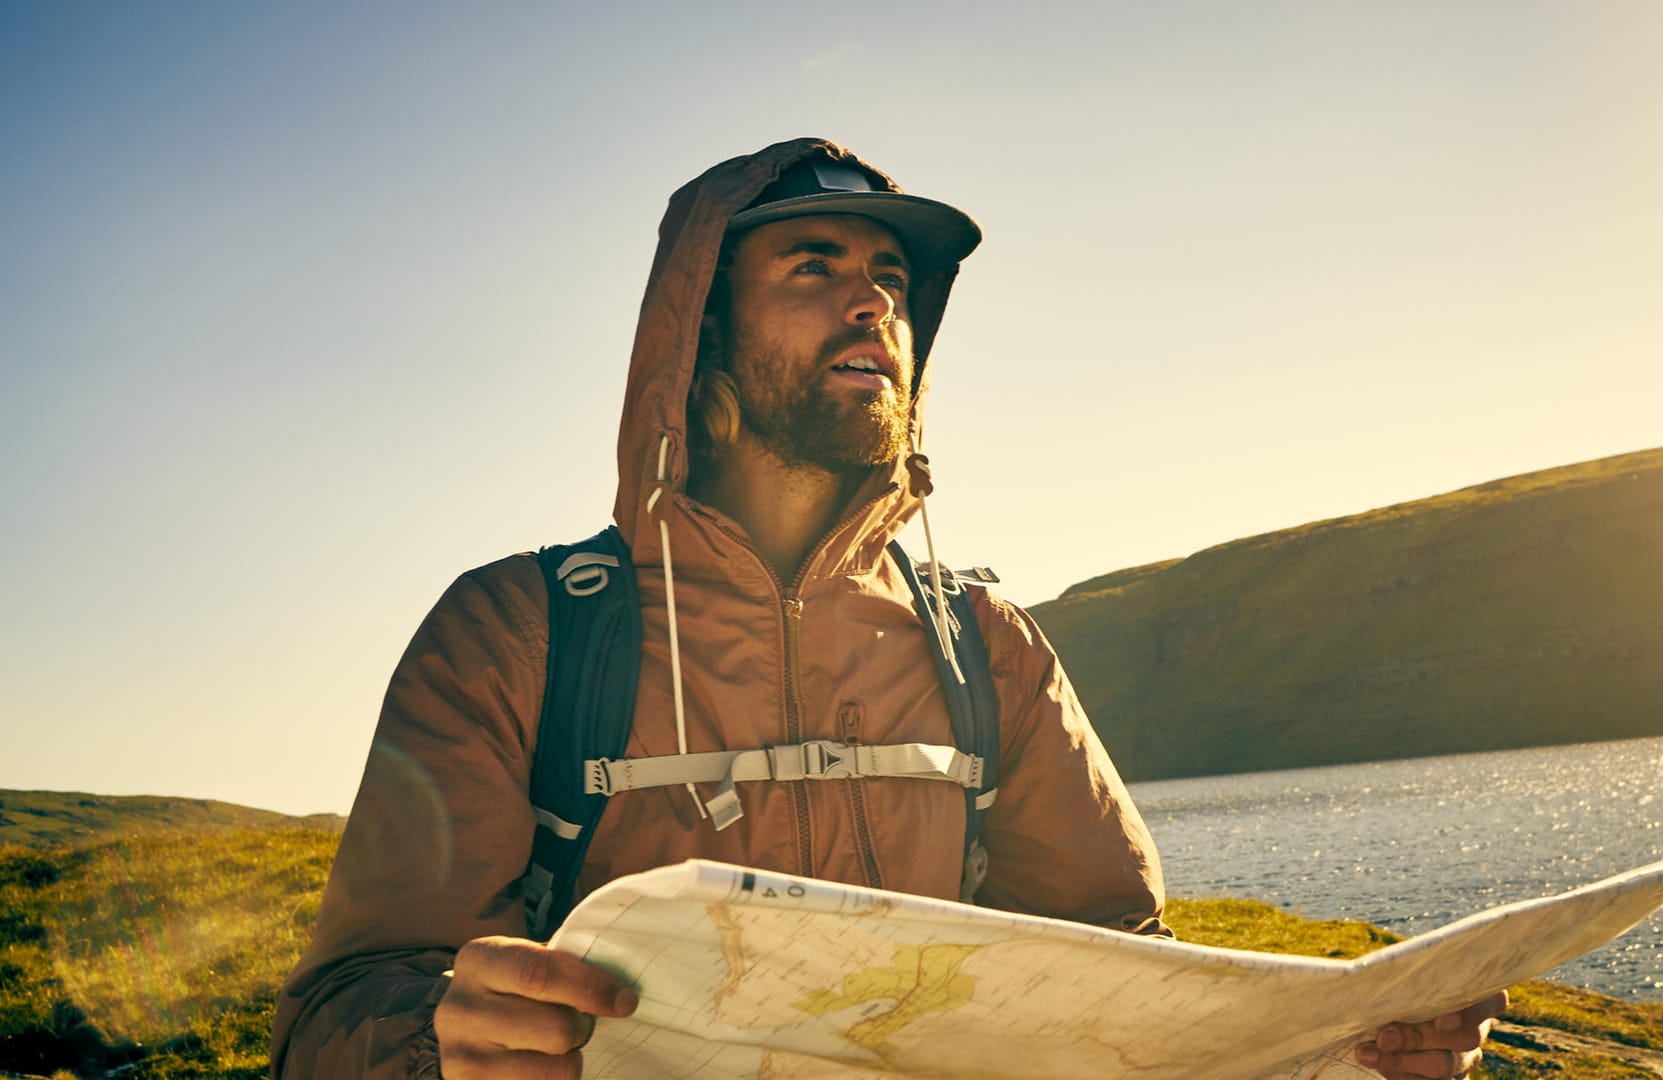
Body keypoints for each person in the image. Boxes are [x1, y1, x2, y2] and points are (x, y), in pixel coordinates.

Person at [271, 138, 1503, 1080]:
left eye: (892, 279)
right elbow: (336, 1009)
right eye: (816, 265)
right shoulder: (515, 632)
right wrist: (435, 1036)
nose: (874, 303)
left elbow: (1122, 989)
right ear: (693, 333)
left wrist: (1333, 1047)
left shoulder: (987, 645)